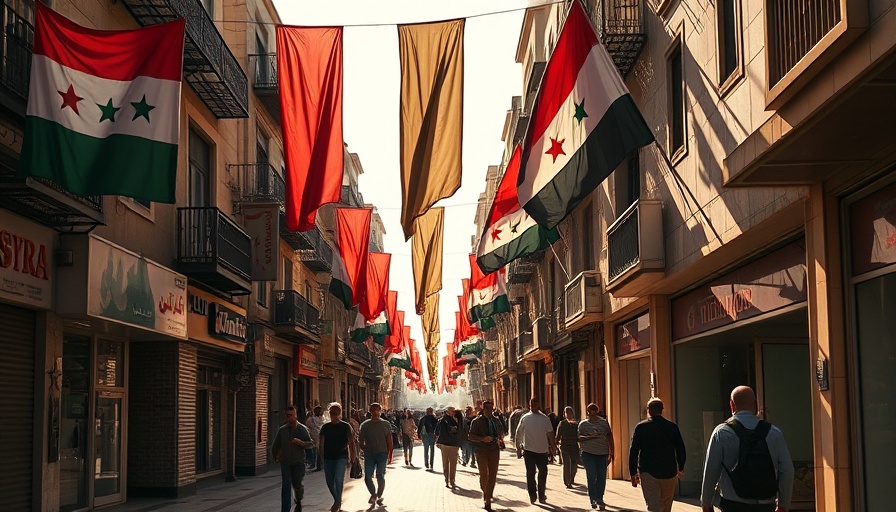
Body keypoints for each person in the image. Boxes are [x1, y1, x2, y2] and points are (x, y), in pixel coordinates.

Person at [701, 386, 794, 512]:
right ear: (755, 404)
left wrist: (706, 503)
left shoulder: (722, 433)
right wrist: (783, 504)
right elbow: (787, 470)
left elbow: (711, 469)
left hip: (732, 504)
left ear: (732, 405)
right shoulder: (774, 433)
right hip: (765, 504)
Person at [629, 398, 687, 512]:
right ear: (662, 410)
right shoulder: (672, 427)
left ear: (648, 410)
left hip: (648, 472)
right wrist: (681, 467)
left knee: (653, 506)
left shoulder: (641, 427)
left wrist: (633, 472)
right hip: (669, 472)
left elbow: (634, 451)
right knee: (666, 507)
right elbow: (680, 448)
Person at [515, 397, 558, 504]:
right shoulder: (525, 418)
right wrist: (518, 447)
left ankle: (541, 495)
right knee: (530, 473)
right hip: (528, 451)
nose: (533, 405)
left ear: (539, 405)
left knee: (543, 473)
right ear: (529, 405)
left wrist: (553, 447)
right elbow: (519, 433)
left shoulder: (545, 419)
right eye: (532, 404)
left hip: (542, 451)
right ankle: (532, 494)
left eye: (535, 403)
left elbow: (550, 434)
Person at [272, 405, 313, 512]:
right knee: (286, 485)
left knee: (297, 483)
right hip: (285, 462)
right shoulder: (282, 430)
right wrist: (275, 456)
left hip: (299, 462)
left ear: (295, 416)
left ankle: (298, 500)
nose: (289, 418)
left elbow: (310, 443)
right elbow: (276, 445)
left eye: (291, 415)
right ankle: (285, 509)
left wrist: (301, 443)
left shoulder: (302, 429)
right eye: (287, 416)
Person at [468, 399, 506, 511]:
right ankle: (486, 492)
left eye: (491, 409)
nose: (489, 411)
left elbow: (501, 432)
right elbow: (470, 436)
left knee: (493, 474)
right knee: (484, 474)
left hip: (494, 450)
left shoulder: (496, 421)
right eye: (487, 409)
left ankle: (487, 497)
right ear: (483, 409)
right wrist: (482, 439)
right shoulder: (476, 421)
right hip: (481, 450)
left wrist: (500, 439)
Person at [319, 402, 357, 512]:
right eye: (332, 413)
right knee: (329, 482)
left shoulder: (345, 426)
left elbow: (351, 443)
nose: (333, 415)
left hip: (342, 457)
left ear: (339, 414)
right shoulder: (325, 427)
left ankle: (337, 502)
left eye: (336, 413)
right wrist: (320, 457)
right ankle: (337, 500)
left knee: (338, 480)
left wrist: (353, 457)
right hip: (328, 458)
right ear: (329, 413)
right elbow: (321, 443)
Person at [579, 402, 615, 511]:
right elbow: (579, 438)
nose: (592, 412)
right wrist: (588, 437)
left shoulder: (604, 423)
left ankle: (599, 497)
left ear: (597, 411)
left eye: (594, 409)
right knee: (591, 475)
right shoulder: (583, 424)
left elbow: (610, 437)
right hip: (588, 454)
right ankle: (592, 498)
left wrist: (612, 452)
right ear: (587, 411)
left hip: (602, 454)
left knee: (601, 477)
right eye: (590, 409)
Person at [358, 402, 393, 507]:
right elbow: (361, 440)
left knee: (380, 475)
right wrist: (363, 447)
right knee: (367, 476)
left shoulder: (385, 424)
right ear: (370, 411)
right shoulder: (365, 425)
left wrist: (390, 454)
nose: (375, 411)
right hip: (369, 454)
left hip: (382, 454)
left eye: (377, 409)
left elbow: (389, 441)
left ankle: (379, 495)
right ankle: (373, 494)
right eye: (372, 409)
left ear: (380, 410)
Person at [435, 405, 463, 488]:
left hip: (450, 444)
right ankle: (448, 480)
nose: (453, 412)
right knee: (448, 463)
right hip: (448, 444)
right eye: (451, 411)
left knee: (450, 463)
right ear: (447, 412)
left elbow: (436, 432)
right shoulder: (443, 421)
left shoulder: (455, 420)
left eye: (453, 411)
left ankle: (451, 480)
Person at [556, 406, 581, 488]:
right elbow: (558, 435)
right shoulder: (562, 423)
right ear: (564, 414)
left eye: (571, 412)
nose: (570, 414)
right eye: (568, 412)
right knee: (566, 464)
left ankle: (571, 478)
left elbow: (580, 435)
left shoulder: (577, 424)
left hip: (574, 447)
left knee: (574, 464)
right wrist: (555, 446)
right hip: (564, 447)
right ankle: (567, 482)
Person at [306, 406, 324, 471]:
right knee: (317, 451)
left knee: (316, 451)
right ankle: (317, 465)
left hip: (315, 437)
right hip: (316, 437)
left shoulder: (311, 419)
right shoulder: (320, 419)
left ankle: (316, 464)